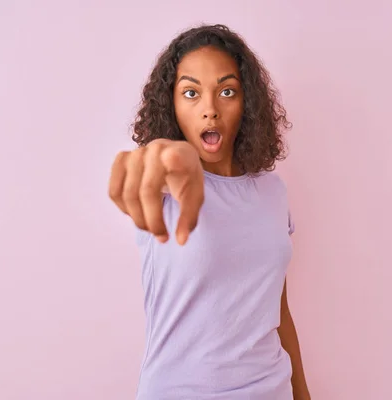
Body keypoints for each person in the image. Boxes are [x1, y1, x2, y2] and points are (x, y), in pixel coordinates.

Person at [109, 24, 311, 400]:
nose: (210, 110)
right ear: (171, 105)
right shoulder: (167, 186)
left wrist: (303, 393)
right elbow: (134, 172)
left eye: (226, 92)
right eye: (191, 93)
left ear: (245, 102)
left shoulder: (271, 190)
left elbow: (277, 309)